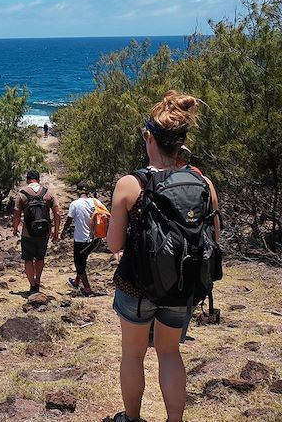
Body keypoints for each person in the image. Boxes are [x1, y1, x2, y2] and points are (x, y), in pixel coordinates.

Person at [107, 91, 220, 422]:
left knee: (133, 355)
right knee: (170, 353)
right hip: (181, 287)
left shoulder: (130, 184)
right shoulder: (203, 182)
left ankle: (132, 418)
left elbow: (114, 245)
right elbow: (212, 236)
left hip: (136, 287)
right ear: (181, 142)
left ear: (149, 138)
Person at [13, 170, 60, 293]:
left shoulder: (22, 194)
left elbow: (17, 214)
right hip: (44, 232)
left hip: (28, 232)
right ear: (38, 180)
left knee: (28, 259)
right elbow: (57, 213)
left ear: (27, 180)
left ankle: (32, 285)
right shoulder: (48, 193)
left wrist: (15, 228)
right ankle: (38, 280)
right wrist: (56, 231)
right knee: (40, 258)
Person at [61, 181, 97, 296]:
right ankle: (76, 282)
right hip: (95, 240)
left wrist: (63, 232)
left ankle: (87, 289)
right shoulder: (95, 202)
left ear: (77, 191)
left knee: (79, 265)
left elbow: (68, 221)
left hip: (81, 240)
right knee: (82, 260)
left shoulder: (75, 204)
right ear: (88, 191)